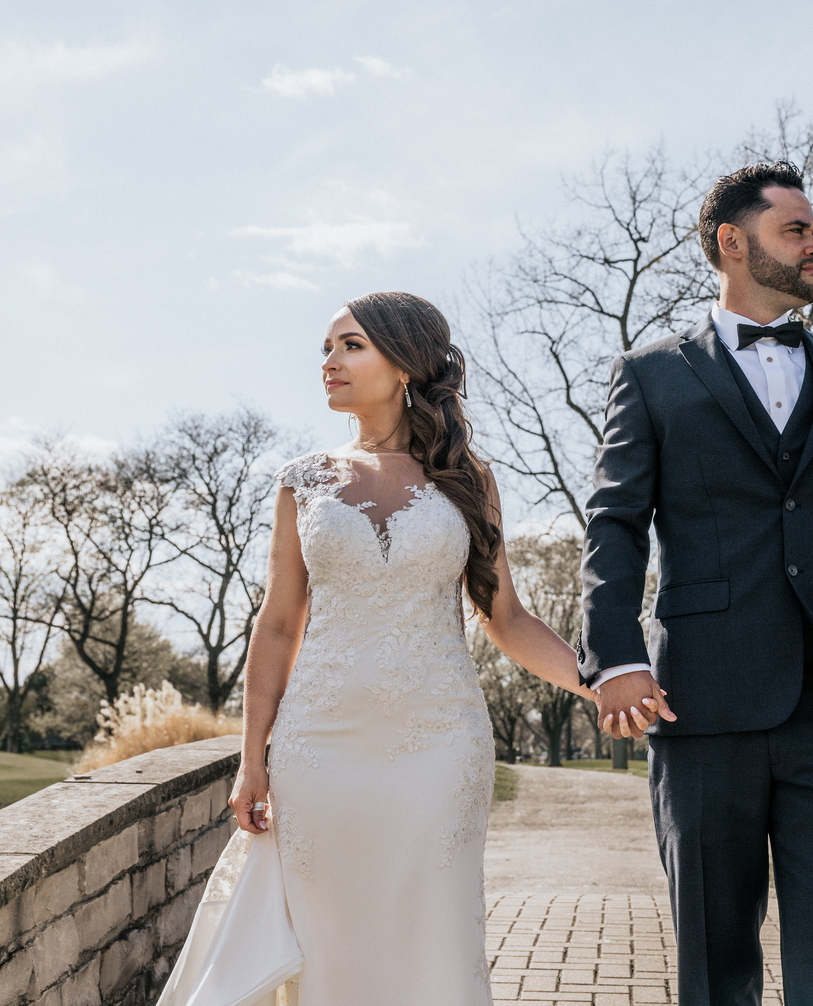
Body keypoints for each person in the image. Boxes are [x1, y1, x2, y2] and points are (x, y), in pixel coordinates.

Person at [158, 292, 602, 1006]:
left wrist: (598, 683)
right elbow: (277, 626)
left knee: (434, 936)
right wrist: (251, 762)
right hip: (319, 749)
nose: (329, 362)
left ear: (404, 364)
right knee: (330, 943)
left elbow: (506, 617)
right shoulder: (303, 482)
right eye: (326, 350)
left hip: (439, 746)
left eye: (349, 346)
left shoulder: (469, 479)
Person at [579, 161, 813, 1006]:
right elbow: (613, 525)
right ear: (733, 242)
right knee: (716, 958)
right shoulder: (651, 375)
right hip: (703, 701)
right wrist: (613, 655)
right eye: (796, 230)